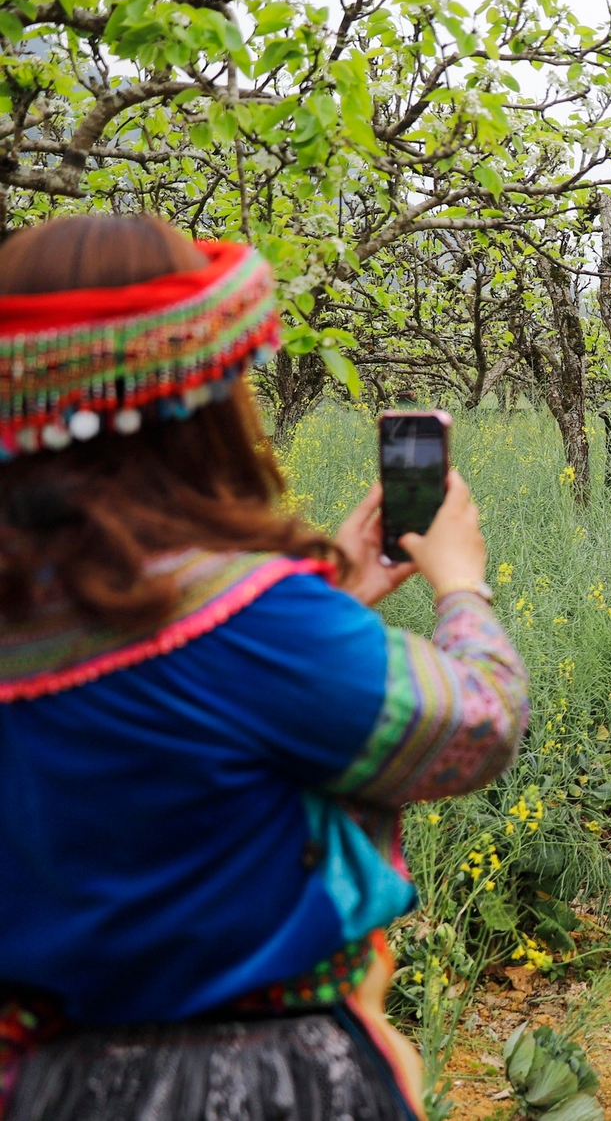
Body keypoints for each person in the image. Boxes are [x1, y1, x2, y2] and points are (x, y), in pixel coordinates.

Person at [0, 215, 528, 1121]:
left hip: (55, 1086)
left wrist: (338, 597)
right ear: (200, 399)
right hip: (264, 1086)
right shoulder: (256, 622)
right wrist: (461, 588)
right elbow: (475, 725)